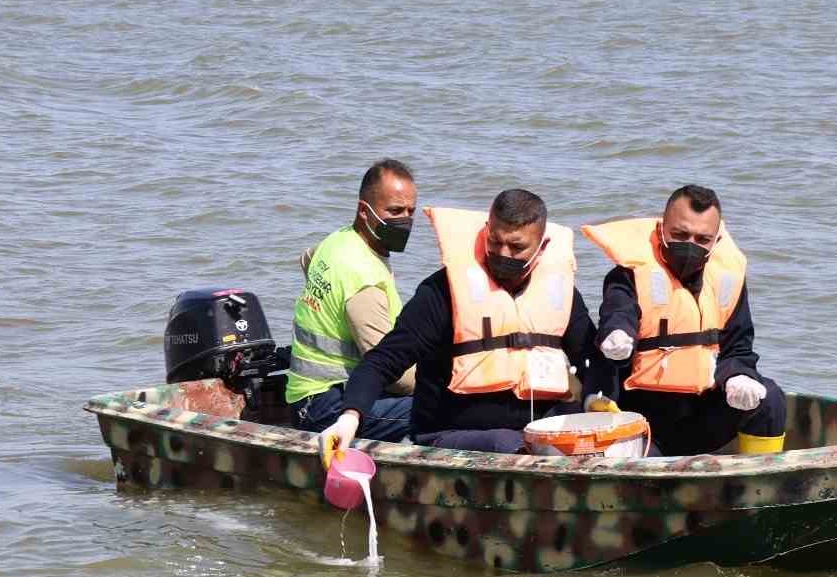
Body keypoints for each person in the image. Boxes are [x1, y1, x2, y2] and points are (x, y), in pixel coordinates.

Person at [318, 188, 597, 458]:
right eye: (495, 242)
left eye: (517, 247)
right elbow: (382, 361)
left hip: (538, 428)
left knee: (594, 438)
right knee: (511, 443)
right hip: (452, 434)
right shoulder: (442, 293)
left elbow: (593, 360)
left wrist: (597, 400)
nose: (503, 254)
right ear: (486, 231)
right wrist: (350, 418)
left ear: (542, 245)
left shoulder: (561, 293)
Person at [582, 184, 787, 456]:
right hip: (641, 417)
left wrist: (738, 375)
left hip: (702, 412)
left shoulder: (728, 279)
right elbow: (619, 311)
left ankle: (759, 481)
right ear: (661, 229)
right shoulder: (627, 275)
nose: (690, 246)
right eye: (680, 234)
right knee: (645, 461)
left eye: (702, 239)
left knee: (769, 397)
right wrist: (617, 334)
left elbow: (738, 346)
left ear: (716, 241)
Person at [284, 159, 418, 443]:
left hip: (305, 393)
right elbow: (394, 374)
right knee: (439, 407)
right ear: (364, 211)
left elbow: (306, 260)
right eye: (394, 211)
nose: (404, 220)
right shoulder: (363, 280)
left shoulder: (338, 241)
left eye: (410, 211)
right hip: (325, 407)